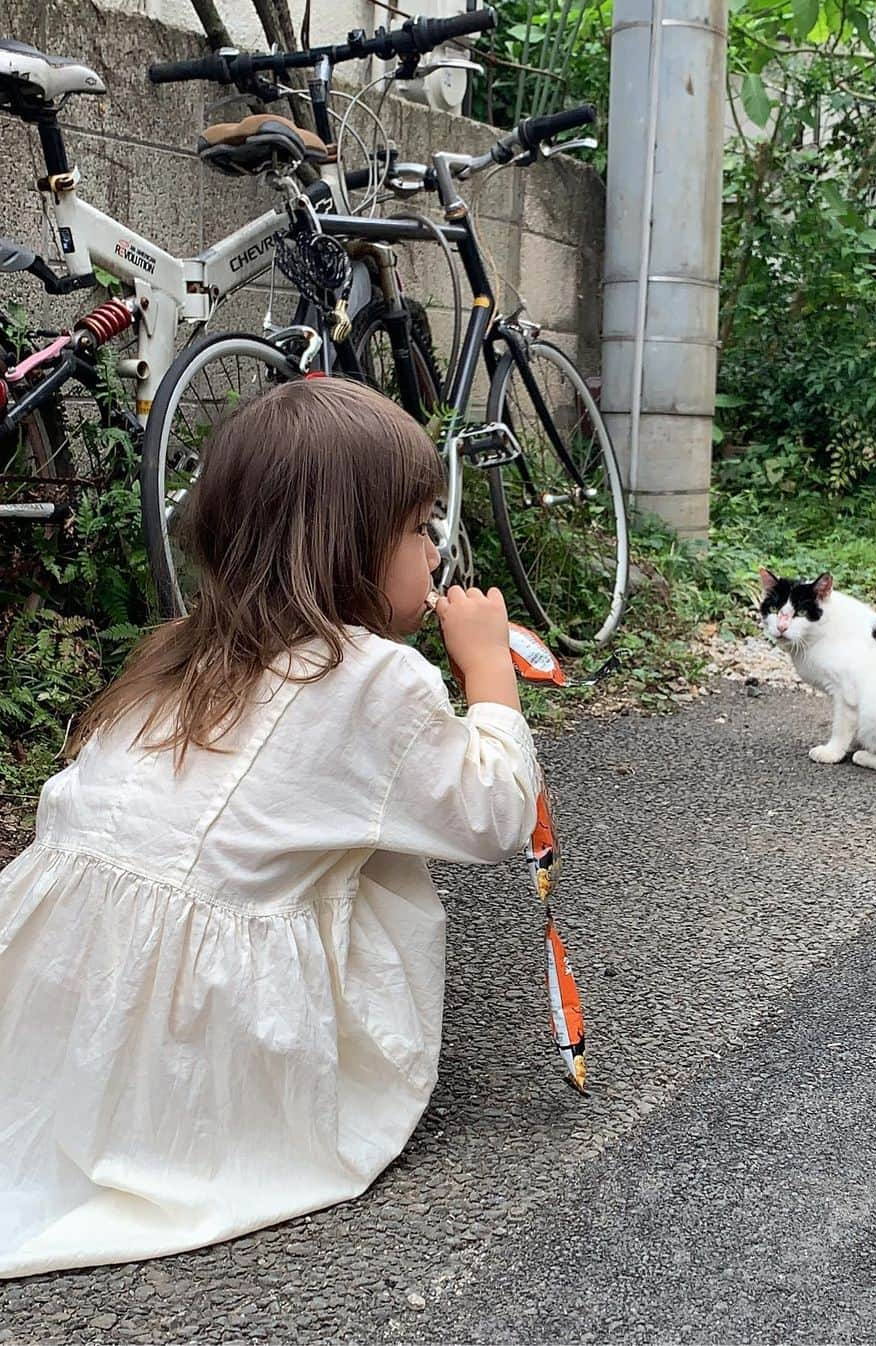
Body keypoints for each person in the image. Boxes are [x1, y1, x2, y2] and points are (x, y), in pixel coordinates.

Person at [0, 378, 539, 1278]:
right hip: (194, 1023)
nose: (435, 550)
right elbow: (491, 817)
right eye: (420, 527)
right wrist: (488, 673)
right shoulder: (371, 681)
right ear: (356, 545)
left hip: (55, 968)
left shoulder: (183, 648)